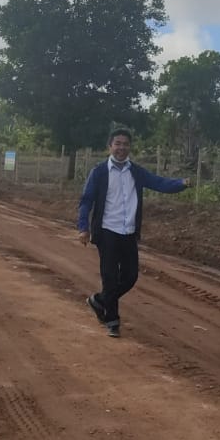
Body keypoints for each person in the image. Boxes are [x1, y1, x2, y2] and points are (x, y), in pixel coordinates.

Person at [78, 128, 190, 338]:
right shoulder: (100, 172)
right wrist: (83, 227)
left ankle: (100, 300)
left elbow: (159, 183)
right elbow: (86, 200)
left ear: (130, 147)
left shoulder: (136, 172)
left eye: (125, 144)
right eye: (117, 143)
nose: (121, 148)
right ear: (109, 146)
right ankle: (112, 321)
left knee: (130, 276)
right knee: (110, 278)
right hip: (107, 230)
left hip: (128, 231)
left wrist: (180, 184)